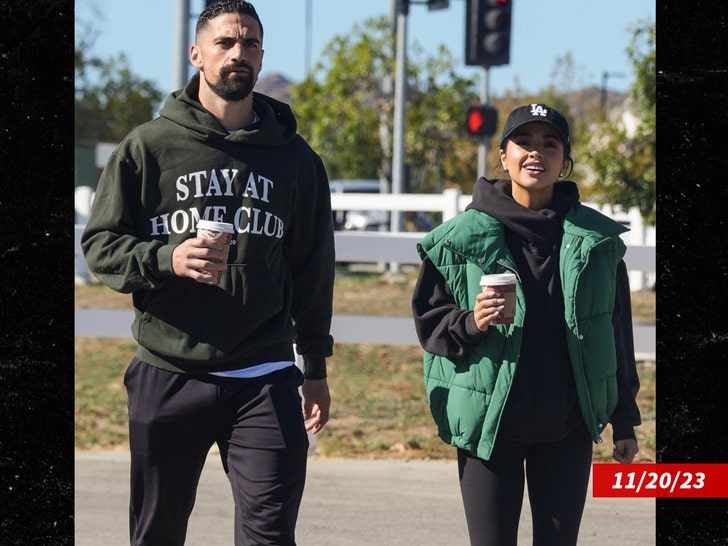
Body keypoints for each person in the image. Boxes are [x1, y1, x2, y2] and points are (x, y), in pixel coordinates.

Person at [81, 1, 334, 544]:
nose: (238, 53)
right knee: (157, 533)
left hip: (264, 375)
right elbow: (100, 246)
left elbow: (313, 269)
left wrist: (315, 366)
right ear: (197, 54)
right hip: (170, 371)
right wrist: (166, 258)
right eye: (225, 42)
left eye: (250, 44)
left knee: (269, 536)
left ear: (262, 57)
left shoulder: (296, 160)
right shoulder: (148, 147)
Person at [411, 103, 641, 546]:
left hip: (567, 427)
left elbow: (617, 336)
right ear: (503, 155)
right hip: (489, 427)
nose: (536, 153)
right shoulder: (459, 240)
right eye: (524, 142)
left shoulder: (597, 244)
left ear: (564, 160)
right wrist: (471, 322)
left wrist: (624, 421)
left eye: (549, 144)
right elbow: (430, 324)